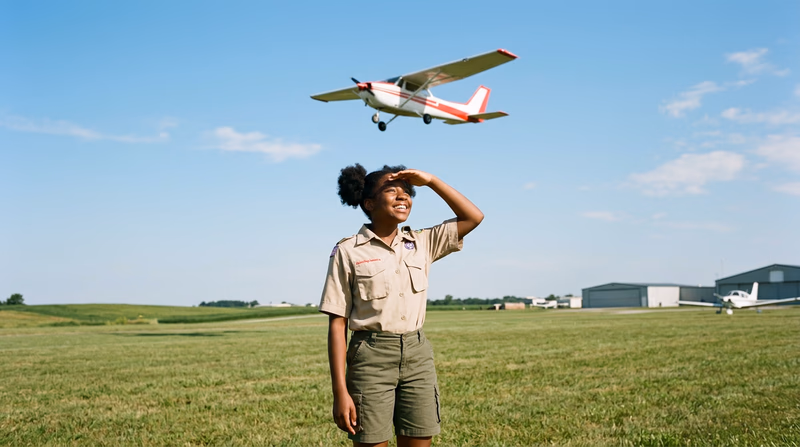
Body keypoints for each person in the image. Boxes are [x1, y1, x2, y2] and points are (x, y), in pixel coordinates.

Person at [319, 163, 484, 447]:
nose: (402, 197)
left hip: (417, 355)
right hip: (370, 358)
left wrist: (430, 180)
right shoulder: (348, 250)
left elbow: (473, 216)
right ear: (368, 203)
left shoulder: (421, 242)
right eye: (392, 191)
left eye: (407, 192)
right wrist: (340, 392)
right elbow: (337, 323)